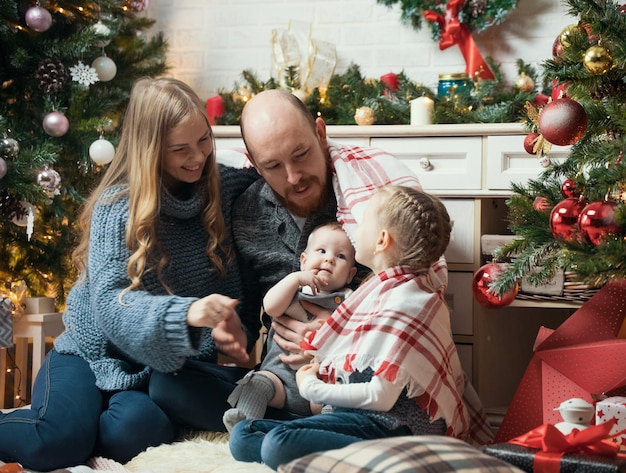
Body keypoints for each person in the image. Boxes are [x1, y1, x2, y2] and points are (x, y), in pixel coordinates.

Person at [0, 77, 260, 471]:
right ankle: (60, 424)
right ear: (150, 149)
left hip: (153, 370)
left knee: (137, 432)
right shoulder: (117, 206)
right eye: (180, 149)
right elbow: (111, 305)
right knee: (56, 440)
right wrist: (186, 314)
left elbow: (282, 185)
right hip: (90, 354)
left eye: (204, 141)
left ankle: (86, 422)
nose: (198, 157)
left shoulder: (225, 188)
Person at [228, 186, 493, 470]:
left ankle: (394, 460)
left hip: (391, 426)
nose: (355, 229)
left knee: (277, 443)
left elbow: (380, 397)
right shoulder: (376, 290)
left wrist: (312, 388)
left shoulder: (409, 301)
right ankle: (350, 457)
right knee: (244, 435)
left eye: (363, 221)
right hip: (354, 417)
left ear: (381, 240)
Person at [223, 221, 357, 431]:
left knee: (338, 394)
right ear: (303, 260)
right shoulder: (292, 290)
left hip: (320, 380)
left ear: (350, 274)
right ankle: (245, 424)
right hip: (280, 380)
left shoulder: (349, 299)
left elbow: (356, 336)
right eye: (321, 251)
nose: (329, 259)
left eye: (341, 256)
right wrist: (294, 279)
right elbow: (270, 307)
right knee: (257, 382)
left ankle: (330, 429)